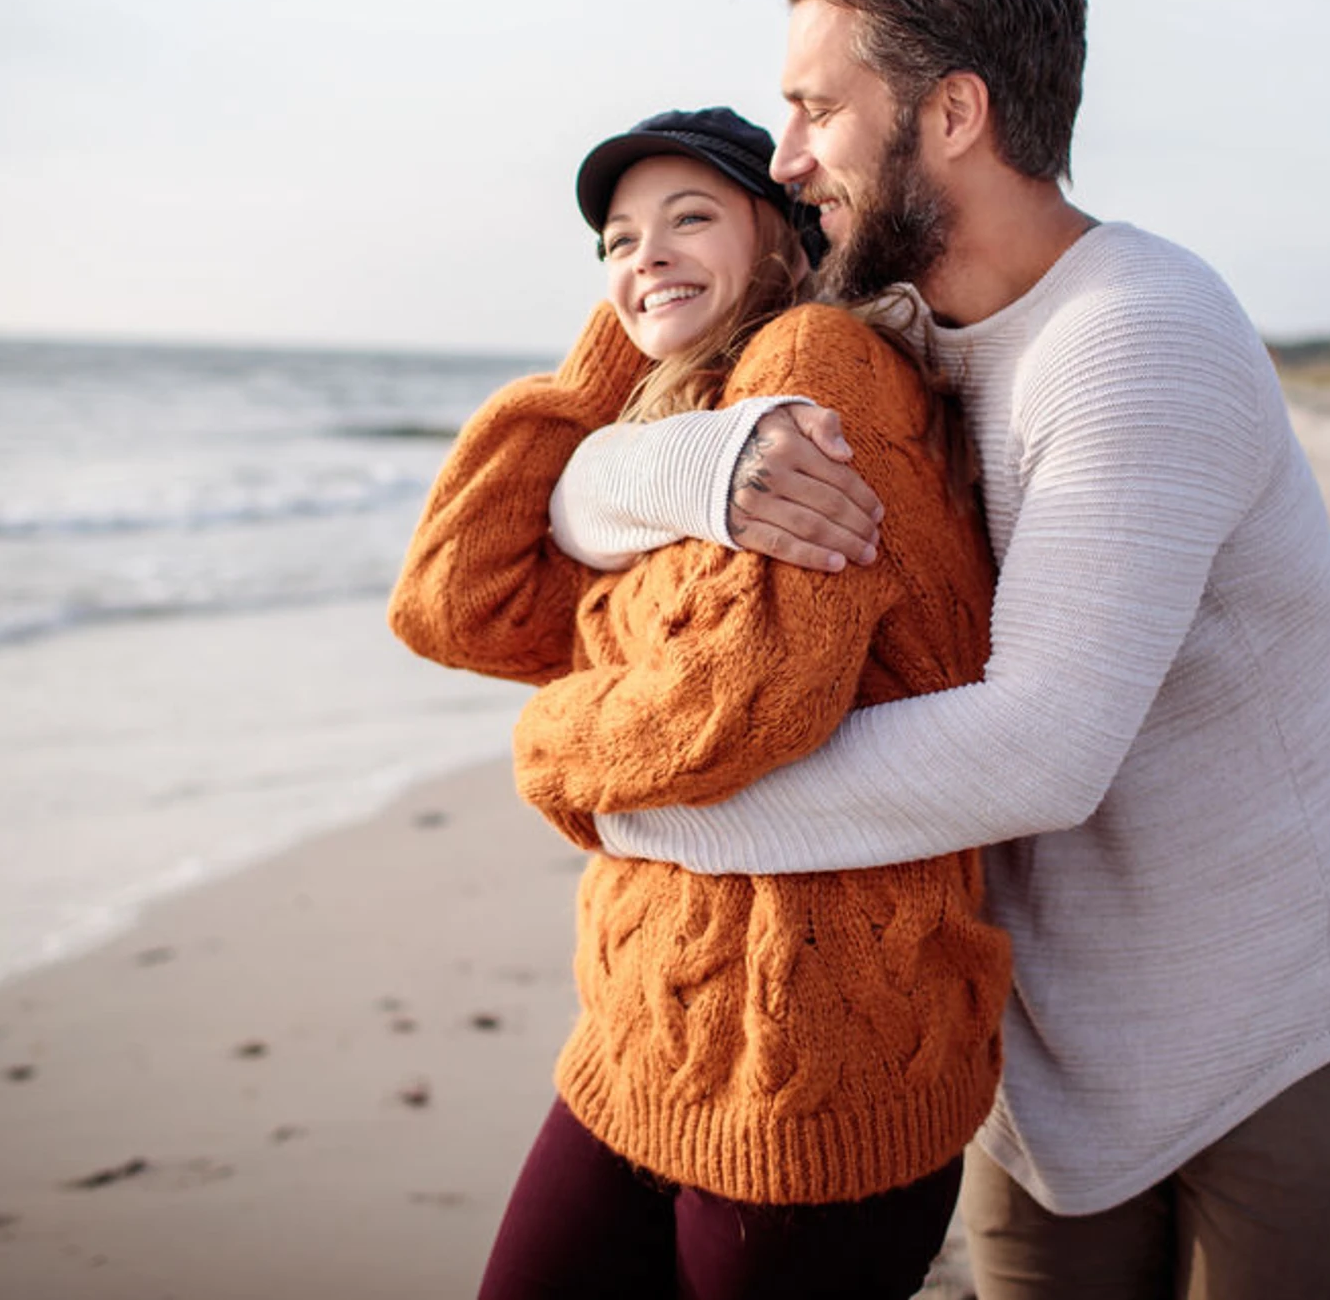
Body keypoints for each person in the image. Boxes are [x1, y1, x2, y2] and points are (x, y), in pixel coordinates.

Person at [542, 0, 1330, 1299]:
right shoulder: (906, 328)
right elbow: (575, 479)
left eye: (813, 110)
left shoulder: (1132, 337)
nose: (783, 159)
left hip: (1277, 1017)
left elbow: (1038, 747)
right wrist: (699, 470)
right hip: (1033, 1033)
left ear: (951, 112)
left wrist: (635, 800)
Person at [386, 106, 1009, 1300]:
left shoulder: (815, 368)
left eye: (688, 220)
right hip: (643, 1031)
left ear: (780, 237)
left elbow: (737, 703)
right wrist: (619, 355)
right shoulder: (694, 427)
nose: (642, 255)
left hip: (802, 1059)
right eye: (615, 241)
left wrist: (543, 748)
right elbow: (452, 601)